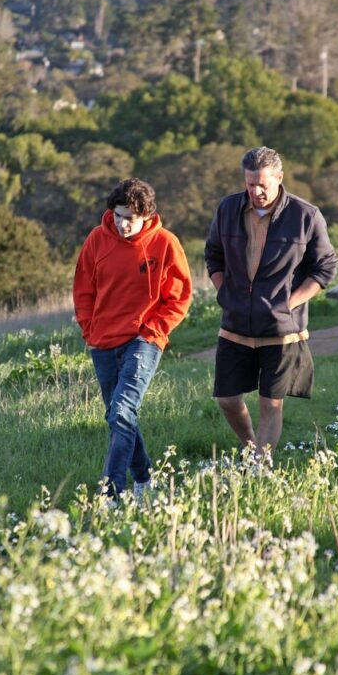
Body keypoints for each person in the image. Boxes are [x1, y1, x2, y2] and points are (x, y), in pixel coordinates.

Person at [204, 146, 337, 456]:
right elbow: (213, 254)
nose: (256, 191)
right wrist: (225, 292)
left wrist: (288, 304)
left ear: (279, 177)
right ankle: (252, 449)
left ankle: (260, 468)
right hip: (235, 325)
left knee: (270, 404)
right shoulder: (227, 209)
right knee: (226, 399)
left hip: (282, 329)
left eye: (263, 184)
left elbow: (326, 267)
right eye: (250, 184)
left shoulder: (306, 215)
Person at [73, 178, 192, 499]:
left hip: (144, 339)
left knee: (122, 411)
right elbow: (83, 290)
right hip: (102, 342)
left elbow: (179, 297)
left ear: (146, 216)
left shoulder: (165, 243)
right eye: (119, 215)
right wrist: (89, 330)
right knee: (117, 414)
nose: (124, 224)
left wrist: (155, 331)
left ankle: (111, 493)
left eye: (131, 218)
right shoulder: (96, 240)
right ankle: (145, 480)